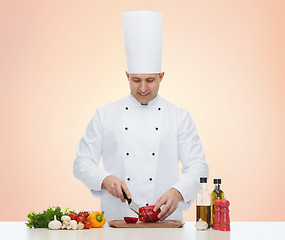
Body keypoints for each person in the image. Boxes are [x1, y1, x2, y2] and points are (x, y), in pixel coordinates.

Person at [73, 11, 209, 222]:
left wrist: (179, 191)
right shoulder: (105, 114)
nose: (143, 88)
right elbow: (81, 162)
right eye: (136, 80)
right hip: (117, 221)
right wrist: (104, 179)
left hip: (167, 223)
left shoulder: (179, 117)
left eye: (150, 80)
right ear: (127, 76)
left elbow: (199, 166)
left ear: (161, 77)